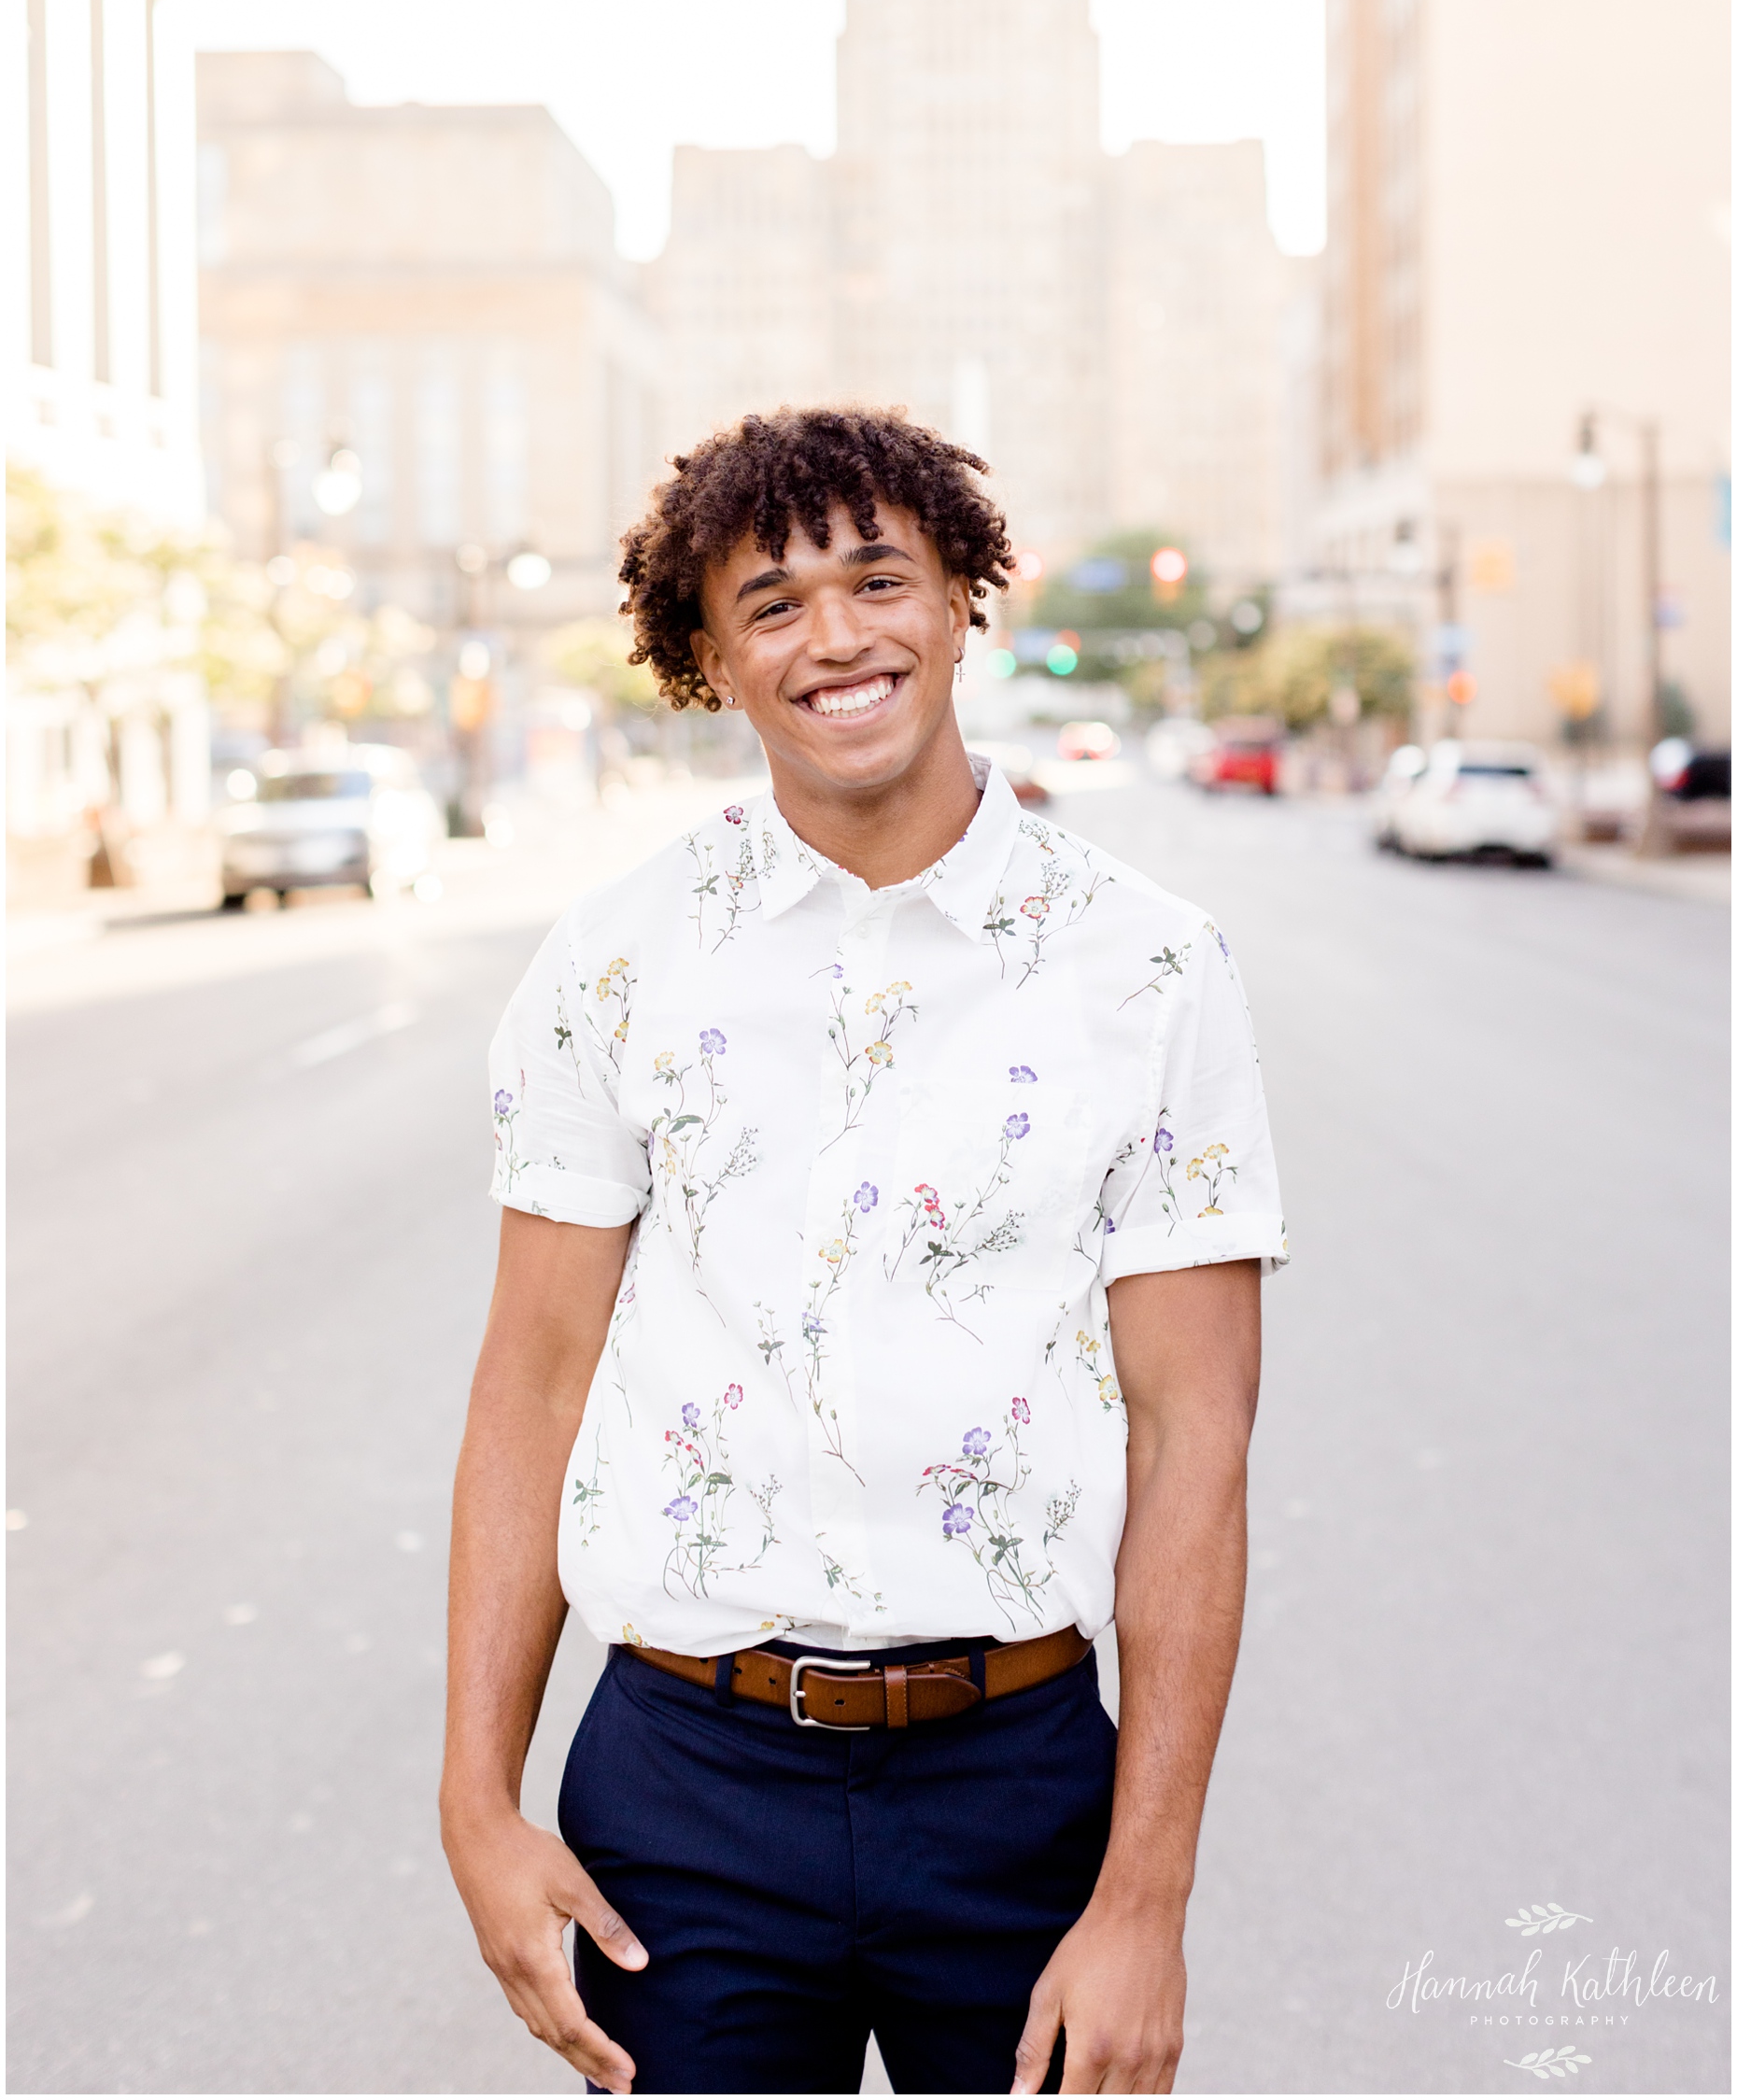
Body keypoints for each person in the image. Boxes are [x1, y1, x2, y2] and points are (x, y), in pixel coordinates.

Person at [441, 406, 1286, 2096]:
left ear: (962, 597)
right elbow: (534, 1385)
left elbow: (1199, 1438)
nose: (837, 636)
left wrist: (1147, 1896)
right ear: (708, 660)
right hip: (684, 1786)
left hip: (1020, 1783)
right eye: (770, 604)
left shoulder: (1149, 970)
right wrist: (477, 1806)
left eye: (879, 578)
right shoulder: (616, 962)